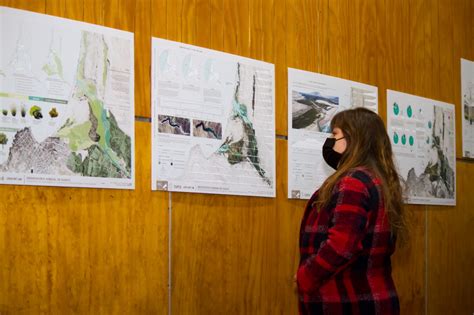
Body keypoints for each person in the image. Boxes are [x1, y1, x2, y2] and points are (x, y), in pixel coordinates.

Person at [296, 107, 406, 315]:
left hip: (347, 301)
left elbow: (341, 245)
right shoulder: (377, 180)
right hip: (370, 298)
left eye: (335, 134)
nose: (330, 141)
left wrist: (307, 276)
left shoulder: (353, 182)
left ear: (354, 140)